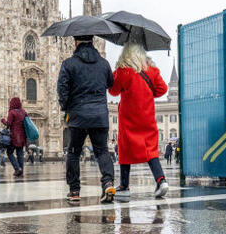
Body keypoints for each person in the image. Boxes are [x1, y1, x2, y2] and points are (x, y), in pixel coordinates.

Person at [57, 35, 116, 203]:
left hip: (78, 115)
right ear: (92, 41)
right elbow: (110, 83)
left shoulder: (68, 64)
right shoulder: (104, 64)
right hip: (99, 115)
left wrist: (66, 107)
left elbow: (62, 88)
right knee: (102, 151)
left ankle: (74, 191)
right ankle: (108, 183)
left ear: (75, 42)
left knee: (74, 152)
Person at [108, 43, 169, 199]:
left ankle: (124, 186)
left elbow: (113, 91)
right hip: (147, 116)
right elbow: (162, 89)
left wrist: (117, 71)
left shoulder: (123, 71)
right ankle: (161, 180)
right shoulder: (151, 70)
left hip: (128, 117)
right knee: (150, 150)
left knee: (125, 148)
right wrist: (147, 93)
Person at [1, 98, 27, 177]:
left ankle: (17, 168)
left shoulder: (12, 112)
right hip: (22, 136)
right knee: (20, 154)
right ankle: (21, 171)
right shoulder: (23, 112)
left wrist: (3, 120)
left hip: (14, 137)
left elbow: (8, 124)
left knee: (9, 152)